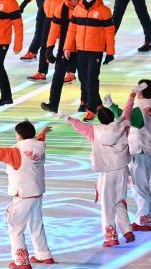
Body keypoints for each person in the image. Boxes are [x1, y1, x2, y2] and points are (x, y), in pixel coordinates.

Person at [59, 89, 141, 246]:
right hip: (123, 169)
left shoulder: (94, 131)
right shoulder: (122, 124)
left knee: (107, 204)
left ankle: (111, 237)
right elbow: (127, 111)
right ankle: (127, 230)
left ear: (100, 120)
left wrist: (67, 117)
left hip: (107, 172)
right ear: (112, 116)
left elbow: (79, 125)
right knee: (119, 201)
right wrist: (131, 95)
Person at [0, 120, 54, 269]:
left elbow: (0, 152)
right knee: (36, 225)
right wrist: (42, 134)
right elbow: (36, 141)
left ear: (19, 135)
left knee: (16, 228)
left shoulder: (16, 150)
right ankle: (44, 255)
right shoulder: (39, 145)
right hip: (37, 192)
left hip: (23, 194)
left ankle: (21, 261)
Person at [65, 0, 116, 120]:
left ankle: (91, 109)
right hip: (81, 50)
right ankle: (98, 104)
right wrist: (67, 47)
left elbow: (109, 33)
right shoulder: (78, 9)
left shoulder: (104, 11)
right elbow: (72, 30)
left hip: (95, 52)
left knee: (92, 79)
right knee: (83, 79)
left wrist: (110, 52)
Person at [22, 0, 74, 81]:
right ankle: (42, 72)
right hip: (48, 14)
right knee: (45, 43)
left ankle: (70, 72)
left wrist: (64, 11)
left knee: (66, 45)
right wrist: (26, 1)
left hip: (62, 16)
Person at [41, 0, 82, 113]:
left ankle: (86, 103)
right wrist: (49, 48)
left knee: (85, 78)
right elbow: (54, 30)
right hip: (65, 50)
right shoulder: (61, 9)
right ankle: (53, 104)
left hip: (83, 49)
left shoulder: (84, 7)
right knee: (57, 77)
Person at [130, 79, 151, 231]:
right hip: (147, 149)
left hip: (140, 150)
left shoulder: (139, 106)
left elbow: (125, 118)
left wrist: (130, 97)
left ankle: (144, 219)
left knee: (139, 186)